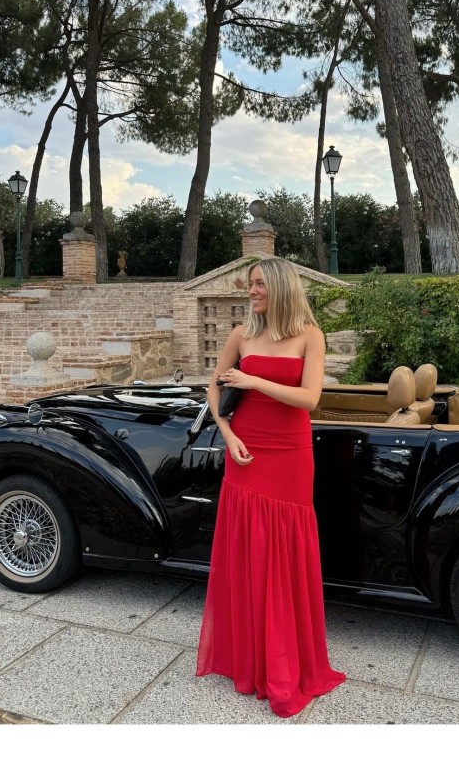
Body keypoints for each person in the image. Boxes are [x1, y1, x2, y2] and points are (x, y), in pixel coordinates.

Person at [196, 256, 346, 717]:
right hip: (246, 449)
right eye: (251, 284)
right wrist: (228, 434)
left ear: (281, 288)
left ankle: (284, 664)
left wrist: (254, 379)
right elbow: (214, 388)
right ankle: (248, 659)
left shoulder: (309, 335)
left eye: (259, 284)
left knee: (282, 553)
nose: (252, 291)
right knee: (248, 551)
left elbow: (310, 398)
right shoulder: (241, 334)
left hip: (289, 453)